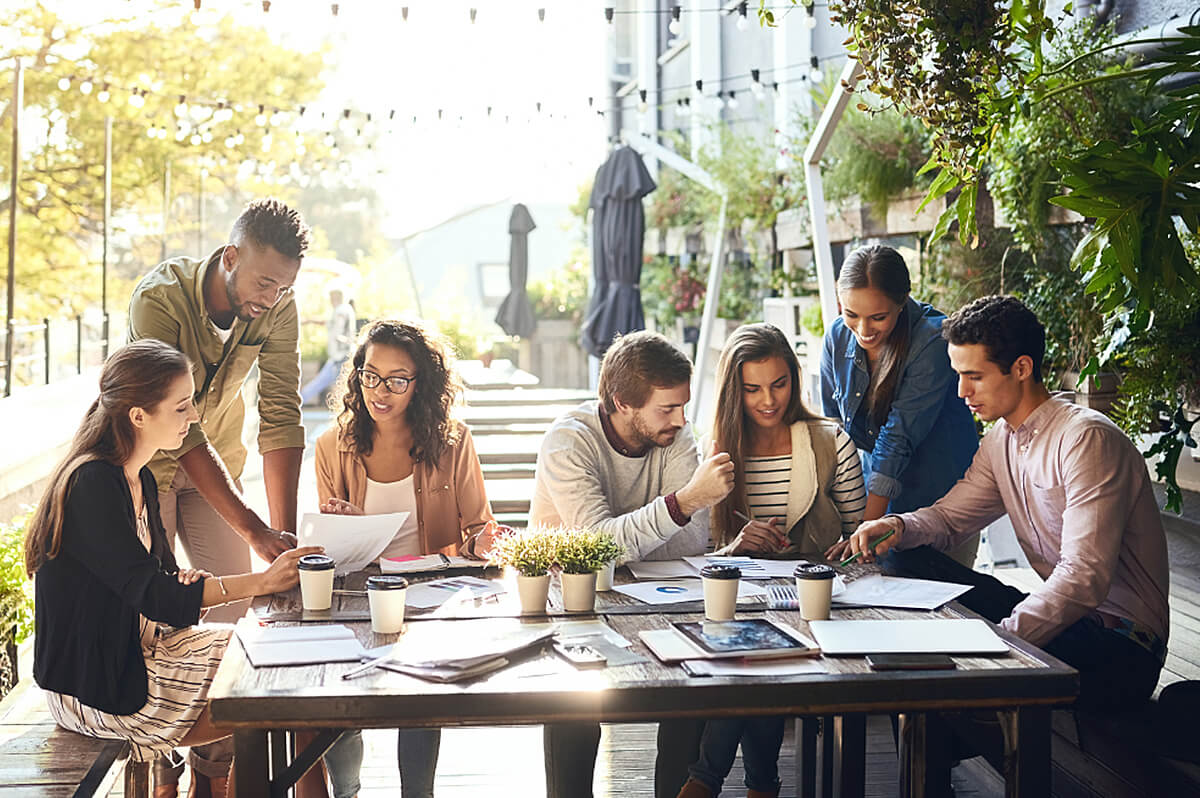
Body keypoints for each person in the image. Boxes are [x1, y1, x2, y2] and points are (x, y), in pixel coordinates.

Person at [843, 295, 1170, 797]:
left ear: (1021, 368)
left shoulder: (1085, 440)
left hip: (1118, 644)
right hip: (1060, 624)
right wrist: (896, 526)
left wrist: (1000, 641)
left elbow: (1084, 576)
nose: (961, 390)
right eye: (957, 374)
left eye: (973, 376)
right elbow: (950, 518)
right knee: (903, 553)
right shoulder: (1001, 440)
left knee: (937, 688)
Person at [26, 340, 321, 798]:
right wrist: (261, 581)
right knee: (264, 686)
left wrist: (184, 584)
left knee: (274, 662)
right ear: (138, 416)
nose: (194, 417)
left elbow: (161, 588)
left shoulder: (139, 477)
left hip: (141, 652)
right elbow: (153, 594)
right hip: (98, 685)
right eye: (181, 406)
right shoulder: (92, 484)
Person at [127, 197, 310, 792]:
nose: (271, 298)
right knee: (150, 613)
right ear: (230, 257)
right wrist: (254, 528)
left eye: (283, 286)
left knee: (234, 622)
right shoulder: (159, 300)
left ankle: (214, 776)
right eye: (263, 282)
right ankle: (155, 761)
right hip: (146, 469)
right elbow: (181, 430)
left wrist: (284, 554)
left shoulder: (277, 307)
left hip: (217, 472)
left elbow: (280, 414)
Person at [529, 330, 735, 798]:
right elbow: (598, 546)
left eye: (684, 406)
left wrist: (636, 535)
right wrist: (681, 502)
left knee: (691, 688)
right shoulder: (568, 443)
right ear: (622, 401)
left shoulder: (676, 437)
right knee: (575, 706)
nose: (681, 420)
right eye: (667, 408)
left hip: (662, 602)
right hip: (573, 609)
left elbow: (686, 549)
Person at [675, 323, 866, 798]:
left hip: (815, 602)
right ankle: (761, 785)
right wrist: (735, 547)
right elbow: (697, 555)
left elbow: (862, 543)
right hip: (736, 605)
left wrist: (836, 558)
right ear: (733, 390)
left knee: (754, 658)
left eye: (779, 384)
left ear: (794, 380)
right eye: (753, 388)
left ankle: (704, 781)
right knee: (754, 654)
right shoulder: (715, 450)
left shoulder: (828, 441)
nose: (768, 400)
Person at [313, 319, 498, 798]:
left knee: (420, 697)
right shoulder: (331, 446)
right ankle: (347, 791)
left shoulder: (453, 442)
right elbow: (328, 549)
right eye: (370, 375)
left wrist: (482, 544)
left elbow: (479, 529)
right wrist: (349, 524)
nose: (381, 391)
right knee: (340, 691)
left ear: (422, 385)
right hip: (356, 594)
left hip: (429, 594)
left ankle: (419, 794)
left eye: (398, 380)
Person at [820, 244, 980, 566]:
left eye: (878, 317)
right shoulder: (837, 336)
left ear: (903, 299)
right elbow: (831, 429)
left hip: (940, 504)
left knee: (944, 605)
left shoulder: (933, 340)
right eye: (851, 314)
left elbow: (896, 441)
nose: (863, 331)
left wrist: (865, 532)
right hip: (872, 499)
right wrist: (851, 523)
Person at [301, 287, 357, 407]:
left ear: (336, 297)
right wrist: (310, 320)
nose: (331, 301)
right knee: (335, 382)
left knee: (325, 381)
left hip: (341, 356)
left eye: (332, 298)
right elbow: (329, 323)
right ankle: (300, 399)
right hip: (341, 356)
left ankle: (299, 400)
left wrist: (342, 340)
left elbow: (338, 330)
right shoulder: (344, 310)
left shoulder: (341, 311)